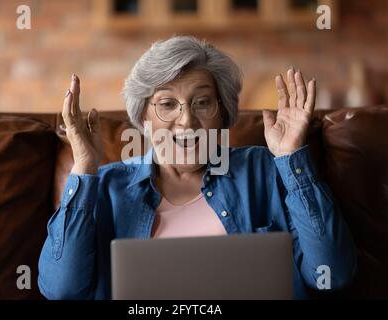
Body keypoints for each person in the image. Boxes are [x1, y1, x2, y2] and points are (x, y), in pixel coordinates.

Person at [38, 36, 357, 299]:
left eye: (202, 102)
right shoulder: (106, 187)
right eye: (166, 104)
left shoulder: (266, 170)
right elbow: (61, 290)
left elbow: (332, 274)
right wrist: (84, 170)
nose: (187, 121)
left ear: (223, 114)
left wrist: (292, 158)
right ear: (144, 119)